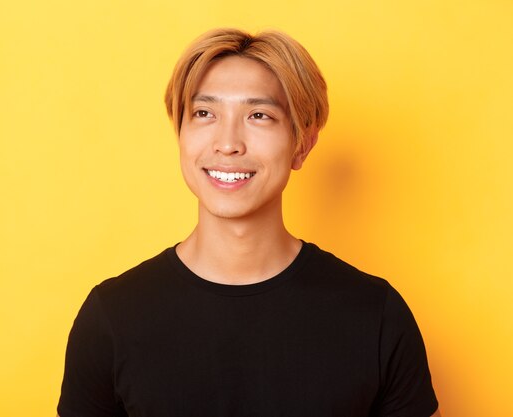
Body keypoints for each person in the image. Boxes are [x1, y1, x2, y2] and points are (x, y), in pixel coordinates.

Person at [57, 28, 440, 417]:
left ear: (302, 144)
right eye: (204, 113)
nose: (227, 143)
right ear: (181, 135)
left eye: (259, 115)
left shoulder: (375, 316)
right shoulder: (112, 317)